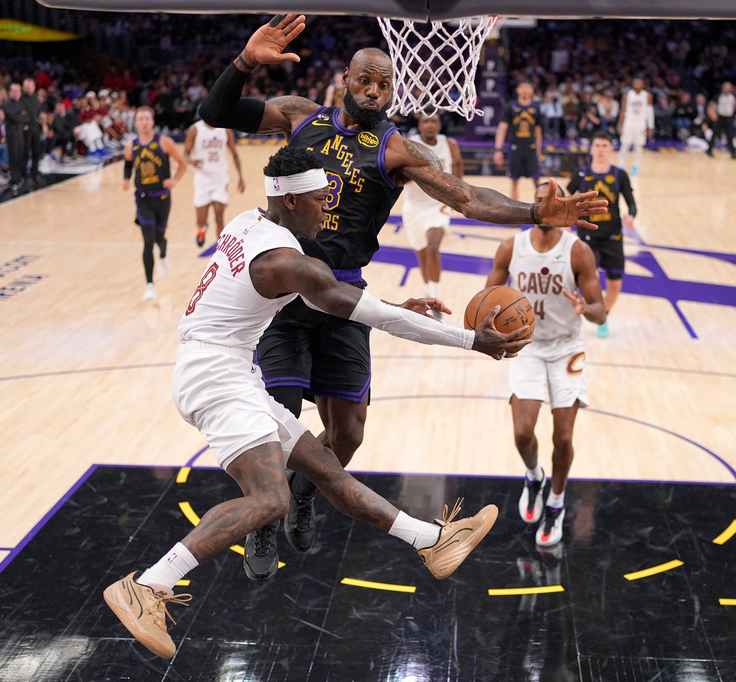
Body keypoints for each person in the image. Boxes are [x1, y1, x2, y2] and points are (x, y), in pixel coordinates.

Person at [199, 14, 607, 576]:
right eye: (365, 79)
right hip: (283, 297)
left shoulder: (397, 149)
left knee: (349, 433)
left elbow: (467, 198)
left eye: (384, 84)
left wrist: (535, 211)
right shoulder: (299, 116)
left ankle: (302, 491)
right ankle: (265, 521)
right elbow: (215, 113)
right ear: (346, 77)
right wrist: (245, 61)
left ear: (394, 91)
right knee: (280, 413)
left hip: (343, 294)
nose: (373, 90)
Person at [103, 145, 521, 659]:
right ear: (294, 200)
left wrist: (387, 306)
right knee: (271, 499)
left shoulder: (250, 220)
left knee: (324, 467)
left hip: (227, 370)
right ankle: (147, 585)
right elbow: (362, 312)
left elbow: (354, 305)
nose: (328, 207)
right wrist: (469, 340)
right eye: (322, 199)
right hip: (216, 378)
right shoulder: (285, 261)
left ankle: (431, 542)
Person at [484, 182, 605, 546]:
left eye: (553, 199)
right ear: (533, 206)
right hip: (529, 346)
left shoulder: (578, 252)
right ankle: (534, 475)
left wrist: (586, 308)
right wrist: (485, 324)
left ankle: (556, 501)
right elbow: (487, 298)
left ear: (563, 204)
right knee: (522, 434)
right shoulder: (511, 247)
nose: (547, 205)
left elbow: (601, 312)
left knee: (563, 437)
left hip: (567, 348)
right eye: (540, 201)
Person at [567, 132, 637, 339]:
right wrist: (566, 217)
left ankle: (603, 316)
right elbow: (566, 199)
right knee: (592, 281)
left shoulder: (619, 175)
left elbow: (631, 202)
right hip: (587, 239)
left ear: (610, 149)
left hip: (613, 239)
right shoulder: (581, 174)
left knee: (615, 286)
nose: (600, 149)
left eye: (604, 145)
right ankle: (577, 316)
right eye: (596, 145)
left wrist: (631, 216)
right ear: (591, 149)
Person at [122, 106, 187, 302]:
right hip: (142, 198)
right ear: (135, 122)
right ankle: (150, 285)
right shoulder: (130, 146)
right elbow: (127, 163)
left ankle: (164, 250)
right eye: (139, 119)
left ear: (152, 121)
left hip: (162, 197)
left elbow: (182, 163)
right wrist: (126, 178)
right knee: (148, 240)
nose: (143, 122)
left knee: (159, 236)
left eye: (146, 119)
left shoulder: (164, 142)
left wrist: (174, 180)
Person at [401, 113, 463, 311]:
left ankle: (437, 298)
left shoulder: (450, 144)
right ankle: (429, 293)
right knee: (421, 254)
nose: (429, 125)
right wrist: (423, 174)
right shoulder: (410, 145)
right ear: (419, 124)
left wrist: (458, 194)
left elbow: (459, 165)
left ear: (439, 124)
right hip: (413, 207)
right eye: (425, 121)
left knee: (433, 247)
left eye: (433, 121)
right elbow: (401, 177)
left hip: (439, 205)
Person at [184, 117, 245, 247]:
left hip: (220, 176)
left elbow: (235, 154)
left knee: (219, 215)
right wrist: (191, 161)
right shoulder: (195, 129)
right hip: (202, 176)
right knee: (201, 219)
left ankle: (221, 248)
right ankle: (202, 229)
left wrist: (241, 177)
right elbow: (185, 154)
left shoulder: (225, 130)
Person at [493, 81, 544, 200]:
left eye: (528, 87)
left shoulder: (536, 107)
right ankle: (515, 212)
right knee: (514, 181)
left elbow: (538, 131)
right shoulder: (511, 107)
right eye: (522, 87)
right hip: (515, 147)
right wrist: (498, 150)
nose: (525, 90)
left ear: (532, 90)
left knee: (537, 180)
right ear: (517, 90)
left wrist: (539, 149)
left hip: (531, 147)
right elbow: (502, 129)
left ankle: (541, 208)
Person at [617, 77, 654, 175]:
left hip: (641, 123)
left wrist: (650, 126)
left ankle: (635, 166)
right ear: (633, 84)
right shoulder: (627, 95)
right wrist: (620, 124)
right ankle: (621, 165)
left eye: (639, 83)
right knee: (625, 144)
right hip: (629, 122)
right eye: (636, 83)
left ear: (643, 85)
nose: (637, 85)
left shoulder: (647, 96)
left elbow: (650, 112)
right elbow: (623, 110)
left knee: (638, 146)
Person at [708, 82, 736, 159]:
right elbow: (711, 104)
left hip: (729, 118)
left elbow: (734, 106)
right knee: (715, 134)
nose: (727, 89)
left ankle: (733, 153)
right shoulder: (719, 95)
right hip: (720, 118)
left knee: (730, 135)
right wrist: (713, 114)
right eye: (726, 87)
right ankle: (709, 150)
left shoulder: (732, 96)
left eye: (729, 87)